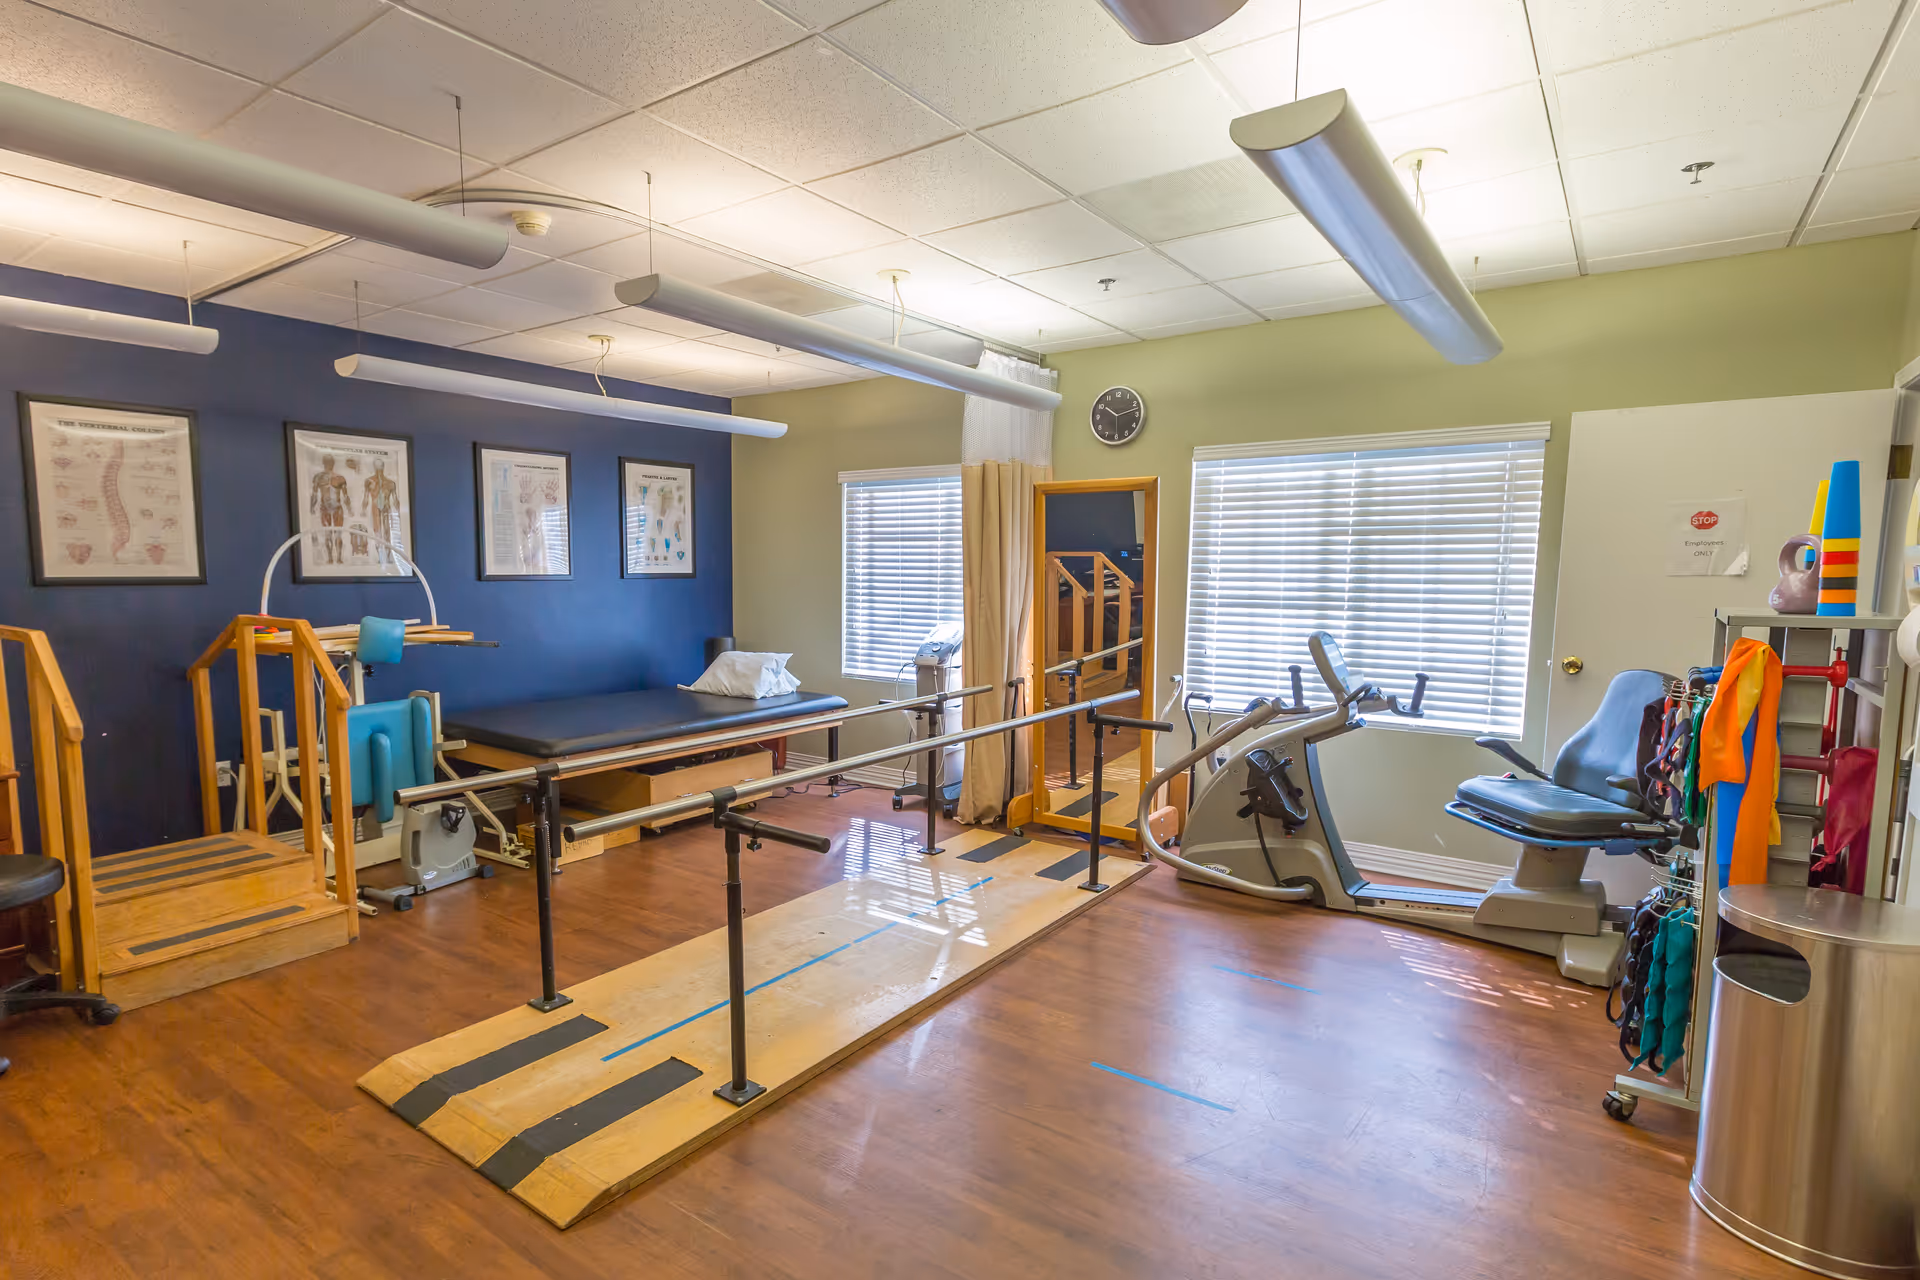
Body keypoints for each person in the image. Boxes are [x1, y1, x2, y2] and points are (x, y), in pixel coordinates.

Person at [310, 454, 352, 565]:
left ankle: (334, 558)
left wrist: (312, 507)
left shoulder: (332, 477)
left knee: (333, 534)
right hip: (331, 508)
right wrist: (349, 509)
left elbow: (314, 495)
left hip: (332, 508)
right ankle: (334, 558)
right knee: (331, 534)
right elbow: (314, 495)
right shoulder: (334, 478)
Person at [363, 458, 400, 570]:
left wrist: (399, 512)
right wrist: (363, 510)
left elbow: (396, 500)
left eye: (380, 467)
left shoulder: (390, 483)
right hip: (375, 509)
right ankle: (381, 557)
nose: (378, 469)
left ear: (383, 467)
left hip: (386, 509)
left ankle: (388, 556)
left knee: (387, 532)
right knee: (378, 532)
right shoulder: (369, 481)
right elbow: (365, 497)